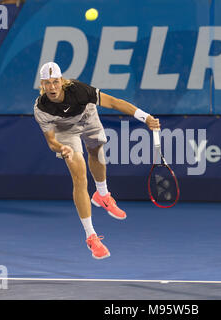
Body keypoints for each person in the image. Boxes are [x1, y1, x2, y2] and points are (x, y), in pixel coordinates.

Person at [34, 62, 160, 259]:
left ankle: (102, 195)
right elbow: (51, 141)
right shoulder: (42, 108)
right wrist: (62, 148)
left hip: (86, 116)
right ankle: (91, 236)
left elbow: (114, 102)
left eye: (55, 82)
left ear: (62, 81)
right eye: (47, 83)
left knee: (97, 153)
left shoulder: (80, 91)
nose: (52, 87)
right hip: (65, 131)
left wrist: (145, 117)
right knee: (79, 177)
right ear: (42, 84)